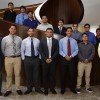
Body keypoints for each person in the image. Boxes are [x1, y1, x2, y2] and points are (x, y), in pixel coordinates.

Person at [1, 25, 23, 97]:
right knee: (9, 75)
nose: (13, 30)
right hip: (8, 59)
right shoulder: (4, 39)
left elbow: (21, 48)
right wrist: (8, 55)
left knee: (17, 74)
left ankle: (18, 88)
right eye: (11, 28)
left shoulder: (19, 39)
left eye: (14, 29)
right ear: (9, 29)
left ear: (16, 30)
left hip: (17, 58)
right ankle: (8, 90)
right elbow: (2, 49)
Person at [21, 28, 43, 94]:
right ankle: (29, 89)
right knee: (28, 75)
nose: (31, 32)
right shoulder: (24, 41)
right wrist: (23, 59)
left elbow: (40, 50)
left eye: (32, 31)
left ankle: (37, 88)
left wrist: (39, 58)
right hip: (27, 59)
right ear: (27, 32)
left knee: (37, 75)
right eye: (29, 31)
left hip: (36, 59)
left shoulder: (37, 41)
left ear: (34, 32)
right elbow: (22, 50)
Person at [59, 27, 78, 94]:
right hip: (63, 60)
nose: (69, 32)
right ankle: (62, 89)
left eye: (70, 31)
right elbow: (60, 50)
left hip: (72, 60)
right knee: (63, 74)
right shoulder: (61, 40)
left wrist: (71, 56)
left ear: (71, 32)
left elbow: (76, 50)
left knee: (72, 75)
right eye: (68, 31)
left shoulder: (74, 41)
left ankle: (72, 88)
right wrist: (65, 56)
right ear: (66, 32)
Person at [39, 28, 59, 95]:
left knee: (52, 75)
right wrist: (46, 59)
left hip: (53, 61)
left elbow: (57, 51)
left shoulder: (56, 41)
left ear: (52, 33)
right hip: (44, 61)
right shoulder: (42, 40)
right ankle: (46, 89)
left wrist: (51, 59)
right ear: (45, 33)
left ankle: (52, 89)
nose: (49, 33)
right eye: (48, 32)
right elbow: (40, 51)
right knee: (45, 75)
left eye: (51, 32)